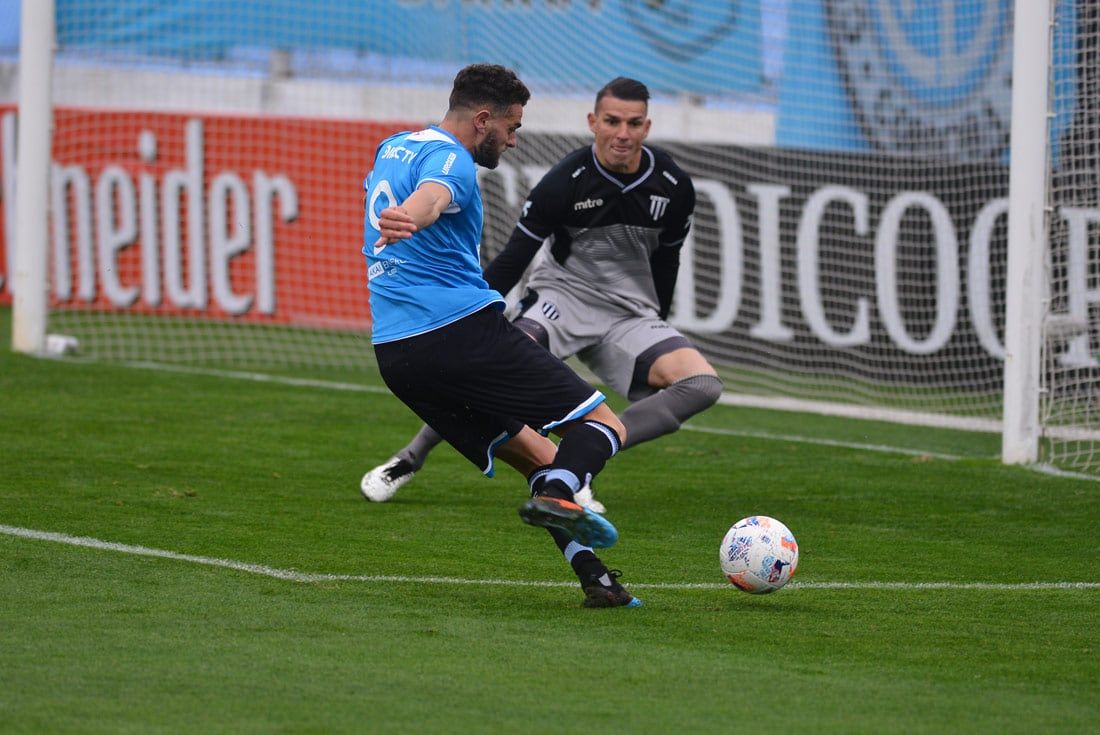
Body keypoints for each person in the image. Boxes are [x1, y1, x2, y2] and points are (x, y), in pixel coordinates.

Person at [362, 76, 723, 513]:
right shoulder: (565, 180)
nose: (622, 134)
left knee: (703, 384)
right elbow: (514, 258)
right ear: (593, 122)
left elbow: (668, 261)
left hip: (629, 314)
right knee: (491, 361)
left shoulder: (672, 185)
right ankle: (409, 457)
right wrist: (477, 326)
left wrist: (657, 317)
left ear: (647, 127)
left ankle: (579, 461)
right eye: (612, 121)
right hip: (562, 300)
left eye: (634, 123)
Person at [363, 63, 641, 608]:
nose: (514, 140)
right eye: (512, 127)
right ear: (483, 119)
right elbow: (435, 196)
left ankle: (598, 583)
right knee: (605, 424)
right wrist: (414, 216)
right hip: (460, 333)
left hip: (396, 355)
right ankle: (564, 492)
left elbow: (417, 197)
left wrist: (407, 216)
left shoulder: (393, 147)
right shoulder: (454, 161)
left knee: (540, 458)